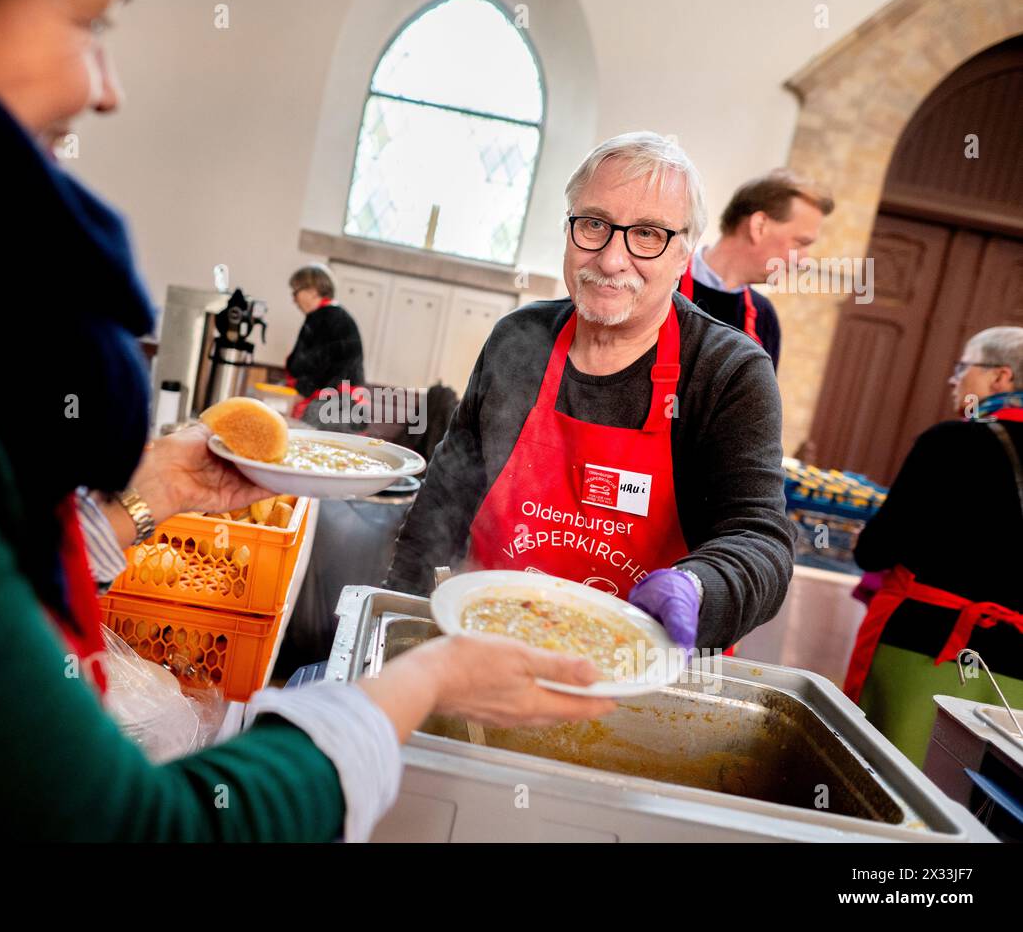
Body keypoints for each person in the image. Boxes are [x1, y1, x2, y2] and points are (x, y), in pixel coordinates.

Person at [0, 0, 617, 841]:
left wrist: (148, 499)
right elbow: (132, 828)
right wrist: (421, 683)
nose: (104, 88)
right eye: (92, 21)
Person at [387, 132, 795, 654]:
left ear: (684, 253)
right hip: (483, 646)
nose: (610, 259)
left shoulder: (727, 373)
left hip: (639, 673)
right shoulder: (518, 341)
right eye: (594, 225)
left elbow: (760, 539)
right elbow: (446, 496)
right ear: (568, 228)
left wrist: (697, 587)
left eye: (647, 234)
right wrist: (396, 620)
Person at [848, 326, 1023, 763]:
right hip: (1017, 665)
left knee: (893, 784)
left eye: (964, 367)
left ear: (1002, 378)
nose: (954, 379)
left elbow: (875, 550)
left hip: (924, 647)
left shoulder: (952, 441)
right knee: (980, 802)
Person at [679, 169, 835, 370]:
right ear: (759, 226)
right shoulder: (664, 284)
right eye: (800, 243)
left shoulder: (764, 318)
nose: (804, 262)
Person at [284, 263, 367, 425]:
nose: (293, 298)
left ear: (313, 291)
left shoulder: (325, 318)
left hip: (335, 406)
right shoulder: (331, 315)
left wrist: (300, 393)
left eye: (296, 291)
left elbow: (319, 367)